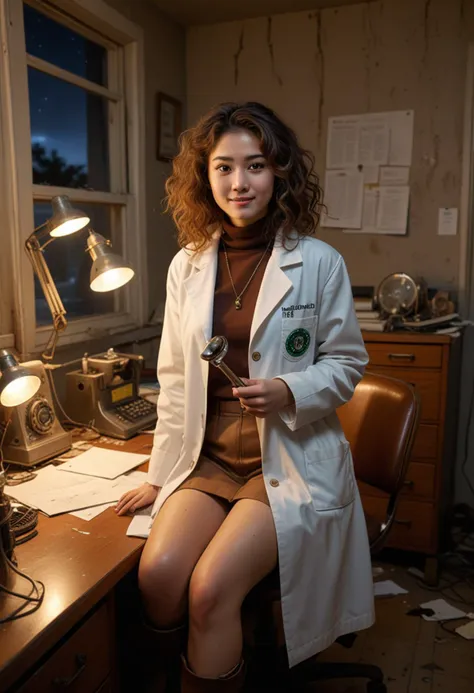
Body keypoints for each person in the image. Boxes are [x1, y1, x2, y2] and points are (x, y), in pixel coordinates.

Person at [115, 101, 375, 692]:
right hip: (207, 456)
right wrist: (160, 476)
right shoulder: (188, 266)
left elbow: (347, 363)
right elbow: (178, 378)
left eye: (254, 165)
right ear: (204, 178)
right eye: (223, 167)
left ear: (278, 171)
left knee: (210, 588)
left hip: (283, 456)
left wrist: (289, 388)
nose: (239, 182)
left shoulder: (319, 263)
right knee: (157, 576)